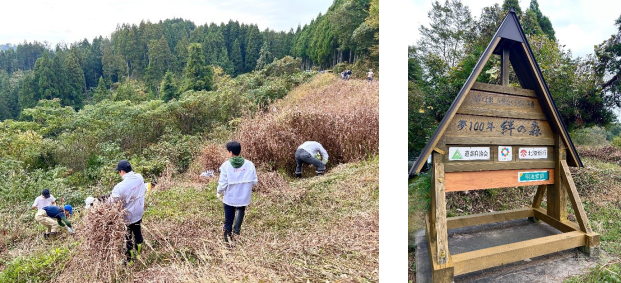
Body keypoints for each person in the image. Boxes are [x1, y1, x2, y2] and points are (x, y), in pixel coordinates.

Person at [216, 141, 258, 247]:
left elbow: (223, 183)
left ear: (230, 152)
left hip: (230, 196)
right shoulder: (249, 164)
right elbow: (254, 181)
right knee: (240, 210)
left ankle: (227, 240)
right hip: (244, 196)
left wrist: (219, 192)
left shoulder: (226, 165)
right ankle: (236, 235)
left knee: (228, 218)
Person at [111, 160, 146, 265]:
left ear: (122, 171)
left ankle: (129, 260)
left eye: (119, 171)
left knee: (128, 237)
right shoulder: (139, 177)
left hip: (128, 216)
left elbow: (113, 201)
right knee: (138, 232)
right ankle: (139, 254)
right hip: (139, 212)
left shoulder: (120, 187)